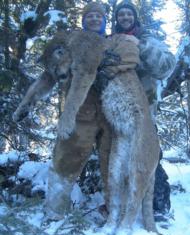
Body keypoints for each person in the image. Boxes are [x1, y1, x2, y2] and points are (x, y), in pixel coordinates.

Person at [45, 2, 112, 220]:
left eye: (98, 16)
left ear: (104, 21)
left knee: (113, 162)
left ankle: (114, 209)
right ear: (84, 20)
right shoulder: (72, 40)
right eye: (90, 16)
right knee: (66, 160)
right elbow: (54, 67)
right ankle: (54, 212)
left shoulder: (111, 42)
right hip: (80, 114)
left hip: (109, 115)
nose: (94, 19)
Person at [111, 0, 175, 216]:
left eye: (129, 13)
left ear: (135, 17)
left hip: (145, 107)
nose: (125, 17)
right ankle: (121, 203)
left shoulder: (148, 39)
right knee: (119, 155)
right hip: (119, 109)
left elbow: (166, 66)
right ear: (117, 19)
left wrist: (141, 46)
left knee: (148, 153)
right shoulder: (112, 41)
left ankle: (158, 205)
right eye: (121, 14)